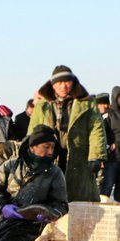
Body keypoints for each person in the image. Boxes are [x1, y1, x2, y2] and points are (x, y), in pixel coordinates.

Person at [29, 65, 106, 202]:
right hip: (50, 157)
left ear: (73, 82)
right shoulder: (42, 106)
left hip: (79, 156)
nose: (63, 86)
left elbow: (97, 129)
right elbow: (32, 132)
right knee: (49, 197)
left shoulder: (86, 103)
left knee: (79, 199)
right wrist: (28, 155)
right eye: (59, 83)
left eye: (67, 82)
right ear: (53, 85)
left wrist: (96, 155)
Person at [99, 87, 120, 203]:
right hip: (112, 158)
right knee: (107, 185)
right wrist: (107, 146)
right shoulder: (108, 115)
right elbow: (100, 132)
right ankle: (102, 211)